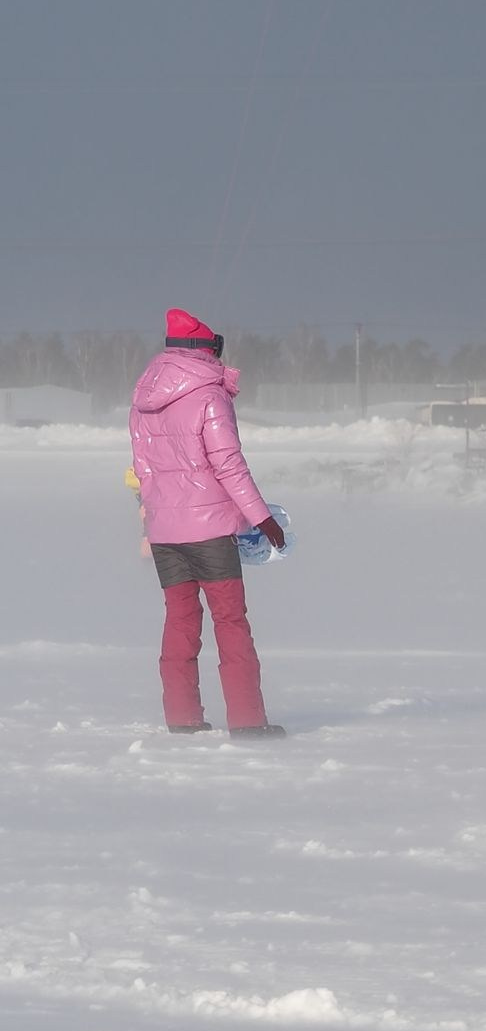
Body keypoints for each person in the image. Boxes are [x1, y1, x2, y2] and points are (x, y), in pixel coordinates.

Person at [129, 309, 286, 739]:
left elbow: (143, 469)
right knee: (231, 621)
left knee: (179, 621)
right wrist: (262, 518)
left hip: (164, 533)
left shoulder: (143, 395)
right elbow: (229, 465)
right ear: (206, 350)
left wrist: (156, 517)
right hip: (211, 530)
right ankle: (249, 722)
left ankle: (182, 718)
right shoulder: (209, 397)